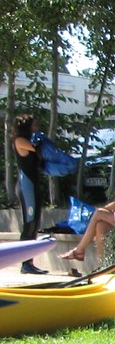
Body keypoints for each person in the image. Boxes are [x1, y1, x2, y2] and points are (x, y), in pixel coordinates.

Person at [58, 154, 115, 263]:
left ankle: (79, 250)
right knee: (100, 226)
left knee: (99, 212)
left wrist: (102, 210)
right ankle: (103, 264)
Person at [11, 113, 47, 274]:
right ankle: (25, 263)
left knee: (35, 223)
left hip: (33, 185)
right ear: (26, 126)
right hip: (26, 187)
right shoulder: (20, 141)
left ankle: (29, 262)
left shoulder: (29, 140)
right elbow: (38, 149)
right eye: (34, 124)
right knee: (29, 224)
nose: (36, 127)